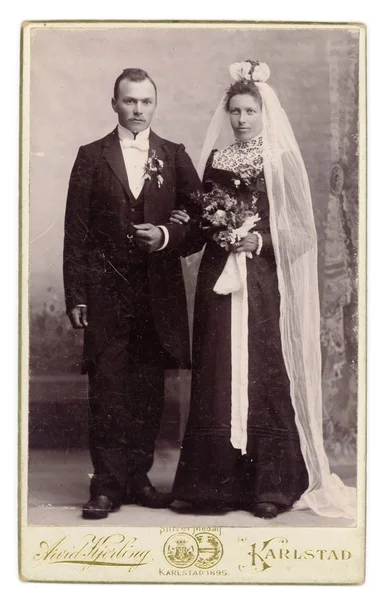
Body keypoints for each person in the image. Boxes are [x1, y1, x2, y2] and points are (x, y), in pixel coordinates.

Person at [170, 61, 356, 520]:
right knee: (217, 370)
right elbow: (199, 222)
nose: (240, 120)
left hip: (260, 284)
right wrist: (195, 228)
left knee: (264, 372)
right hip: (218, 281)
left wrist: (260, 240)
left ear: (263, 112)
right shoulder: (215, 161)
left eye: (249, 110)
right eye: (234, 111)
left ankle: (270, 487)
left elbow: (302, 233)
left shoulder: (280, 161)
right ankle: (211, 488)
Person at [63, 68, 201, 519]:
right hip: (105, 295)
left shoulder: (173, 154)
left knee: (147, 389)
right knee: (108, 388)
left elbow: (200, 220)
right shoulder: (91, 156)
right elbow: (75, 233)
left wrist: (164, 235)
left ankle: (138, 479)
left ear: (154, 105)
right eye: (129, 101)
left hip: (156, 297)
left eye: (145, 102)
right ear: (114, 103)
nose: (137, 110)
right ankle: (105, 486)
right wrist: (77, 295)